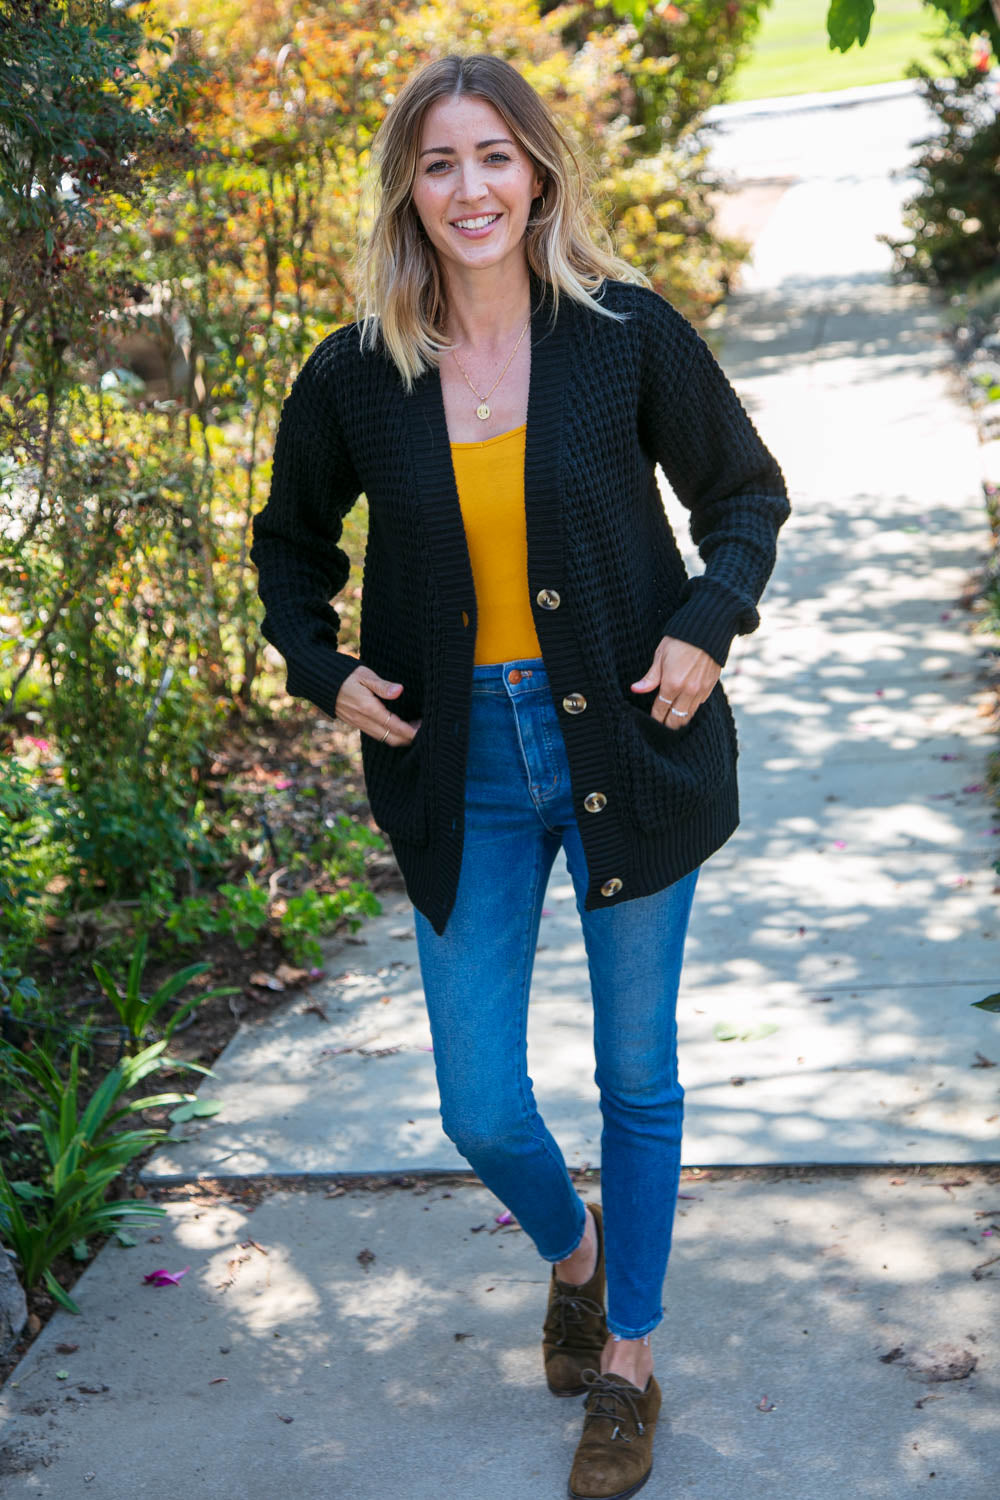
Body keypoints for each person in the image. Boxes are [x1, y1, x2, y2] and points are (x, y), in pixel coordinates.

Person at [250, 51, 790, 1500]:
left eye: (493, 155)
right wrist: (318, 665)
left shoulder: (623, 334)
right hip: (461, 762)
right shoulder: (360, 373)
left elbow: (744, 494)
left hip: (629, 739)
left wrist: (707, 623)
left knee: (637, 1076)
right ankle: (576, 1253)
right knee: (480, 1103)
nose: (470, 187)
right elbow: (289, 545)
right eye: (439, 163)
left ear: (538, 171)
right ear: (408, 191)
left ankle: (629, 1362)